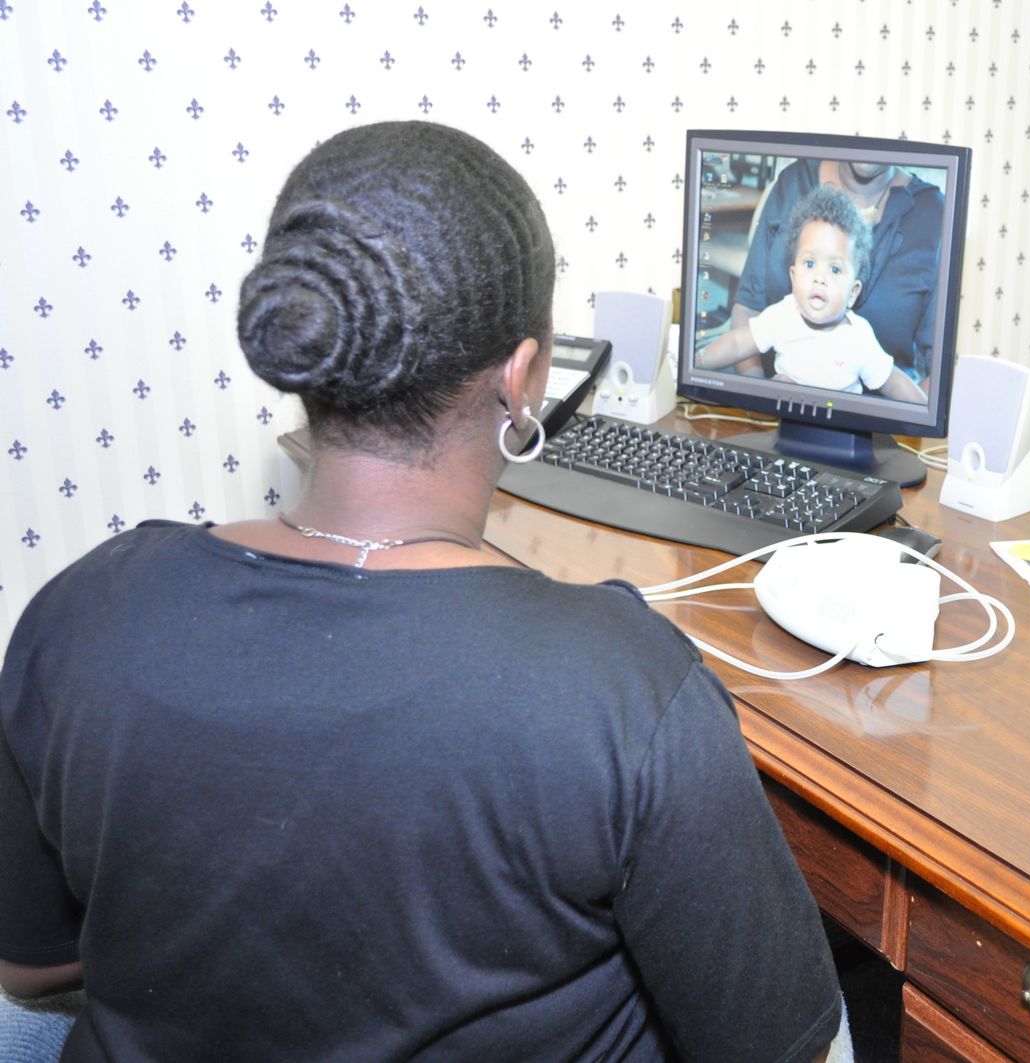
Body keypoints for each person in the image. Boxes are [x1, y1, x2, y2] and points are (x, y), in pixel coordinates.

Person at [0, 121, 848, 1062]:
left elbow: (29, 970)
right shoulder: (626, 694)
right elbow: (783, 1046)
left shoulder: (80, 612)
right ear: (521, 378)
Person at [697, 186, 926, 403]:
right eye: (809, 263)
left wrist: (924, 414)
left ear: (853, 293)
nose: (819, 277)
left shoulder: (859, 338)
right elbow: (737, 343)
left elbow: (894, 382)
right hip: (783, 422)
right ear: (793, 276)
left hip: (836, 429)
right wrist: (695, 363)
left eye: (834, 269)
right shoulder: (783, 315)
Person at [730, 157, 945, 381]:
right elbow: (748, 308)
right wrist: (758, 391)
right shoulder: (793, 181)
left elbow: (938, 373)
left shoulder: (934, 213)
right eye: (809, 263)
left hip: (877, 402)